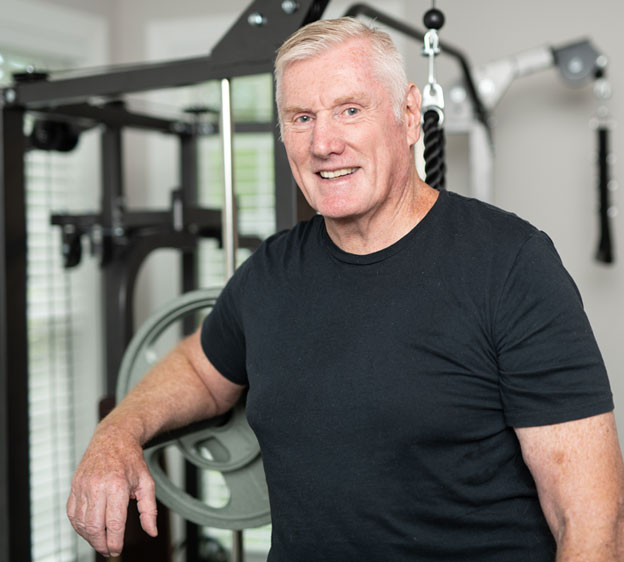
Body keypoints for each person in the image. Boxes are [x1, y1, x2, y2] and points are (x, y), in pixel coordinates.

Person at [67, 17, 624, 561]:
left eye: (350, 110)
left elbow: (592, 526)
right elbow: (198, 370)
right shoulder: (271, 271)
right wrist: (117, 431)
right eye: (302, 117)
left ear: (409, 116)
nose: (323, 143)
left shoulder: (510, 265)